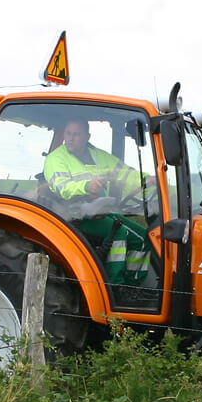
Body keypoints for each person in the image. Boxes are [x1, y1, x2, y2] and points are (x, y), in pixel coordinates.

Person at [42, 116, 153, 288]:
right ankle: (115, 287)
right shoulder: (55, 159)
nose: (70, 138)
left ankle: (133, 286)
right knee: (119, 233)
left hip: (98, 211)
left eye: (76, 134)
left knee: (143, 237)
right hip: (73, 214)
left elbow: (122, 172)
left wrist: (146, 179)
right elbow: (62, 187)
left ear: (87, 137)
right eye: (68, 133)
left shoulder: (97, 155)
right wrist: (86, 186)